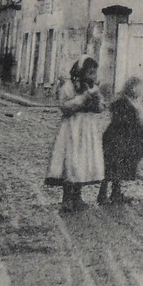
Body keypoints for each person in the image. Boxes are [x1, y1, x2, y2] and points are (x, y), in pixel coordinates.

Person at [45, 56, 108, 212]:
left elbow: (101, 107)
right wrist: (83, 98)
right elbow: (64, 106)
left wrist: (97, 103)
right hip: (72, 127)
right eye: (90, 73)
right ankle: (66, 198)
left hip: (87, 129)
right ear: (81, 71)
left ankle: (78, 197)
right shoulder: (69, 86)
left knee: (83, 162)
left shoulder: (93, 87)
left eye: (95, 73)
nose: (93, 76)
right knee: (71, 161)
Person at [101, 76, 143, 204]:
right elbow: (122, 120)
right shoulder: (122, 102)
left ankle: (116, 192)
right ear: (132, 87)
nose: (141, 91)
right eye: (139, 88)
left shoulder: (133, 101)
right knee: (111, 166)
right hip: (117, 138)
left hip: (125, 138)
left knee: (118, 167)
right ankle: (103, 194)